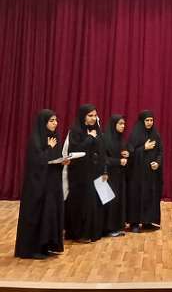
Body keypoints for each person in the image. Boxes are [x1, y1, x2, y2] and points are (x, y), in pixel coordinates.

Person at [15, 110, 66, 259]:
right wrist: (49, 148)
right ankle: (32, 249)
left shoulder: (55, 137)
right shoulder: (35, 139)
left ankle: (46, 246)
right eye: (51, 121)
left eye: (56, 120)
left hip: (51, 185)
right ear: (44, 122)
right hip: (36, 186)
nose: (55, 123)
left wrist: (63, 162)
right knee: (36, 215)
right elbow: (36, 162)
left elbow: (54, 160)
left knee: (48, 215)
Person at [64, 104, 107, 243]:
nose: (93, 118)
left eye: (95, 115)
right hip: (80, 175)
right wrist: (89, 138)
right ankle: (79, 234)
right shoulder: (75, 131)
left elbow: (102, 152)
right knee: (82, 204)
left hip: (96, 172)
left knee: (96, 202)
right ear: (83, 117)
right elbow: (75, 151)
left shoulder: (97, 130)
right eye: (90, 115)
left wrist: (104, 170)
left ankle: (94, 231)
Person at [127, 110, 163, 233]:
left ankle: (147, 221)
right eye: (147, 120)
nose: (149, 123)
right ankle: (134, 223)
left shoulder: (155, 134)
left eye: (151, 120)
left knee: (149, 195)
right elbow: (130, 153)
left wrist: (157, 163)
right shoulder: (135, 135)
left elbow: (160, 151)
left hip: (151, 173)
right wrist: (144, 148)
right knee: (137, 196)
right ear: (142, 121)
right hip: (137, 174)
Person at [103, 114, 128, 237]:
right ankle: (108, 228)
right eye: (120, 124)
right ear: (114, 125)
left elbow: (121, 152)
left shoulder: (120, 138)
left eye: (124, 124)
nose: (123, 126)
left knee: (118, 200)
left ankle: (117, 226)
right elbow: (103, 159)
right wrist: (118, 161)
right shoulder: (105, 139)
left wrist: (126, 154)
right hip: (108, 175)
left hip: (119, 175)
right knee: (110, 201)